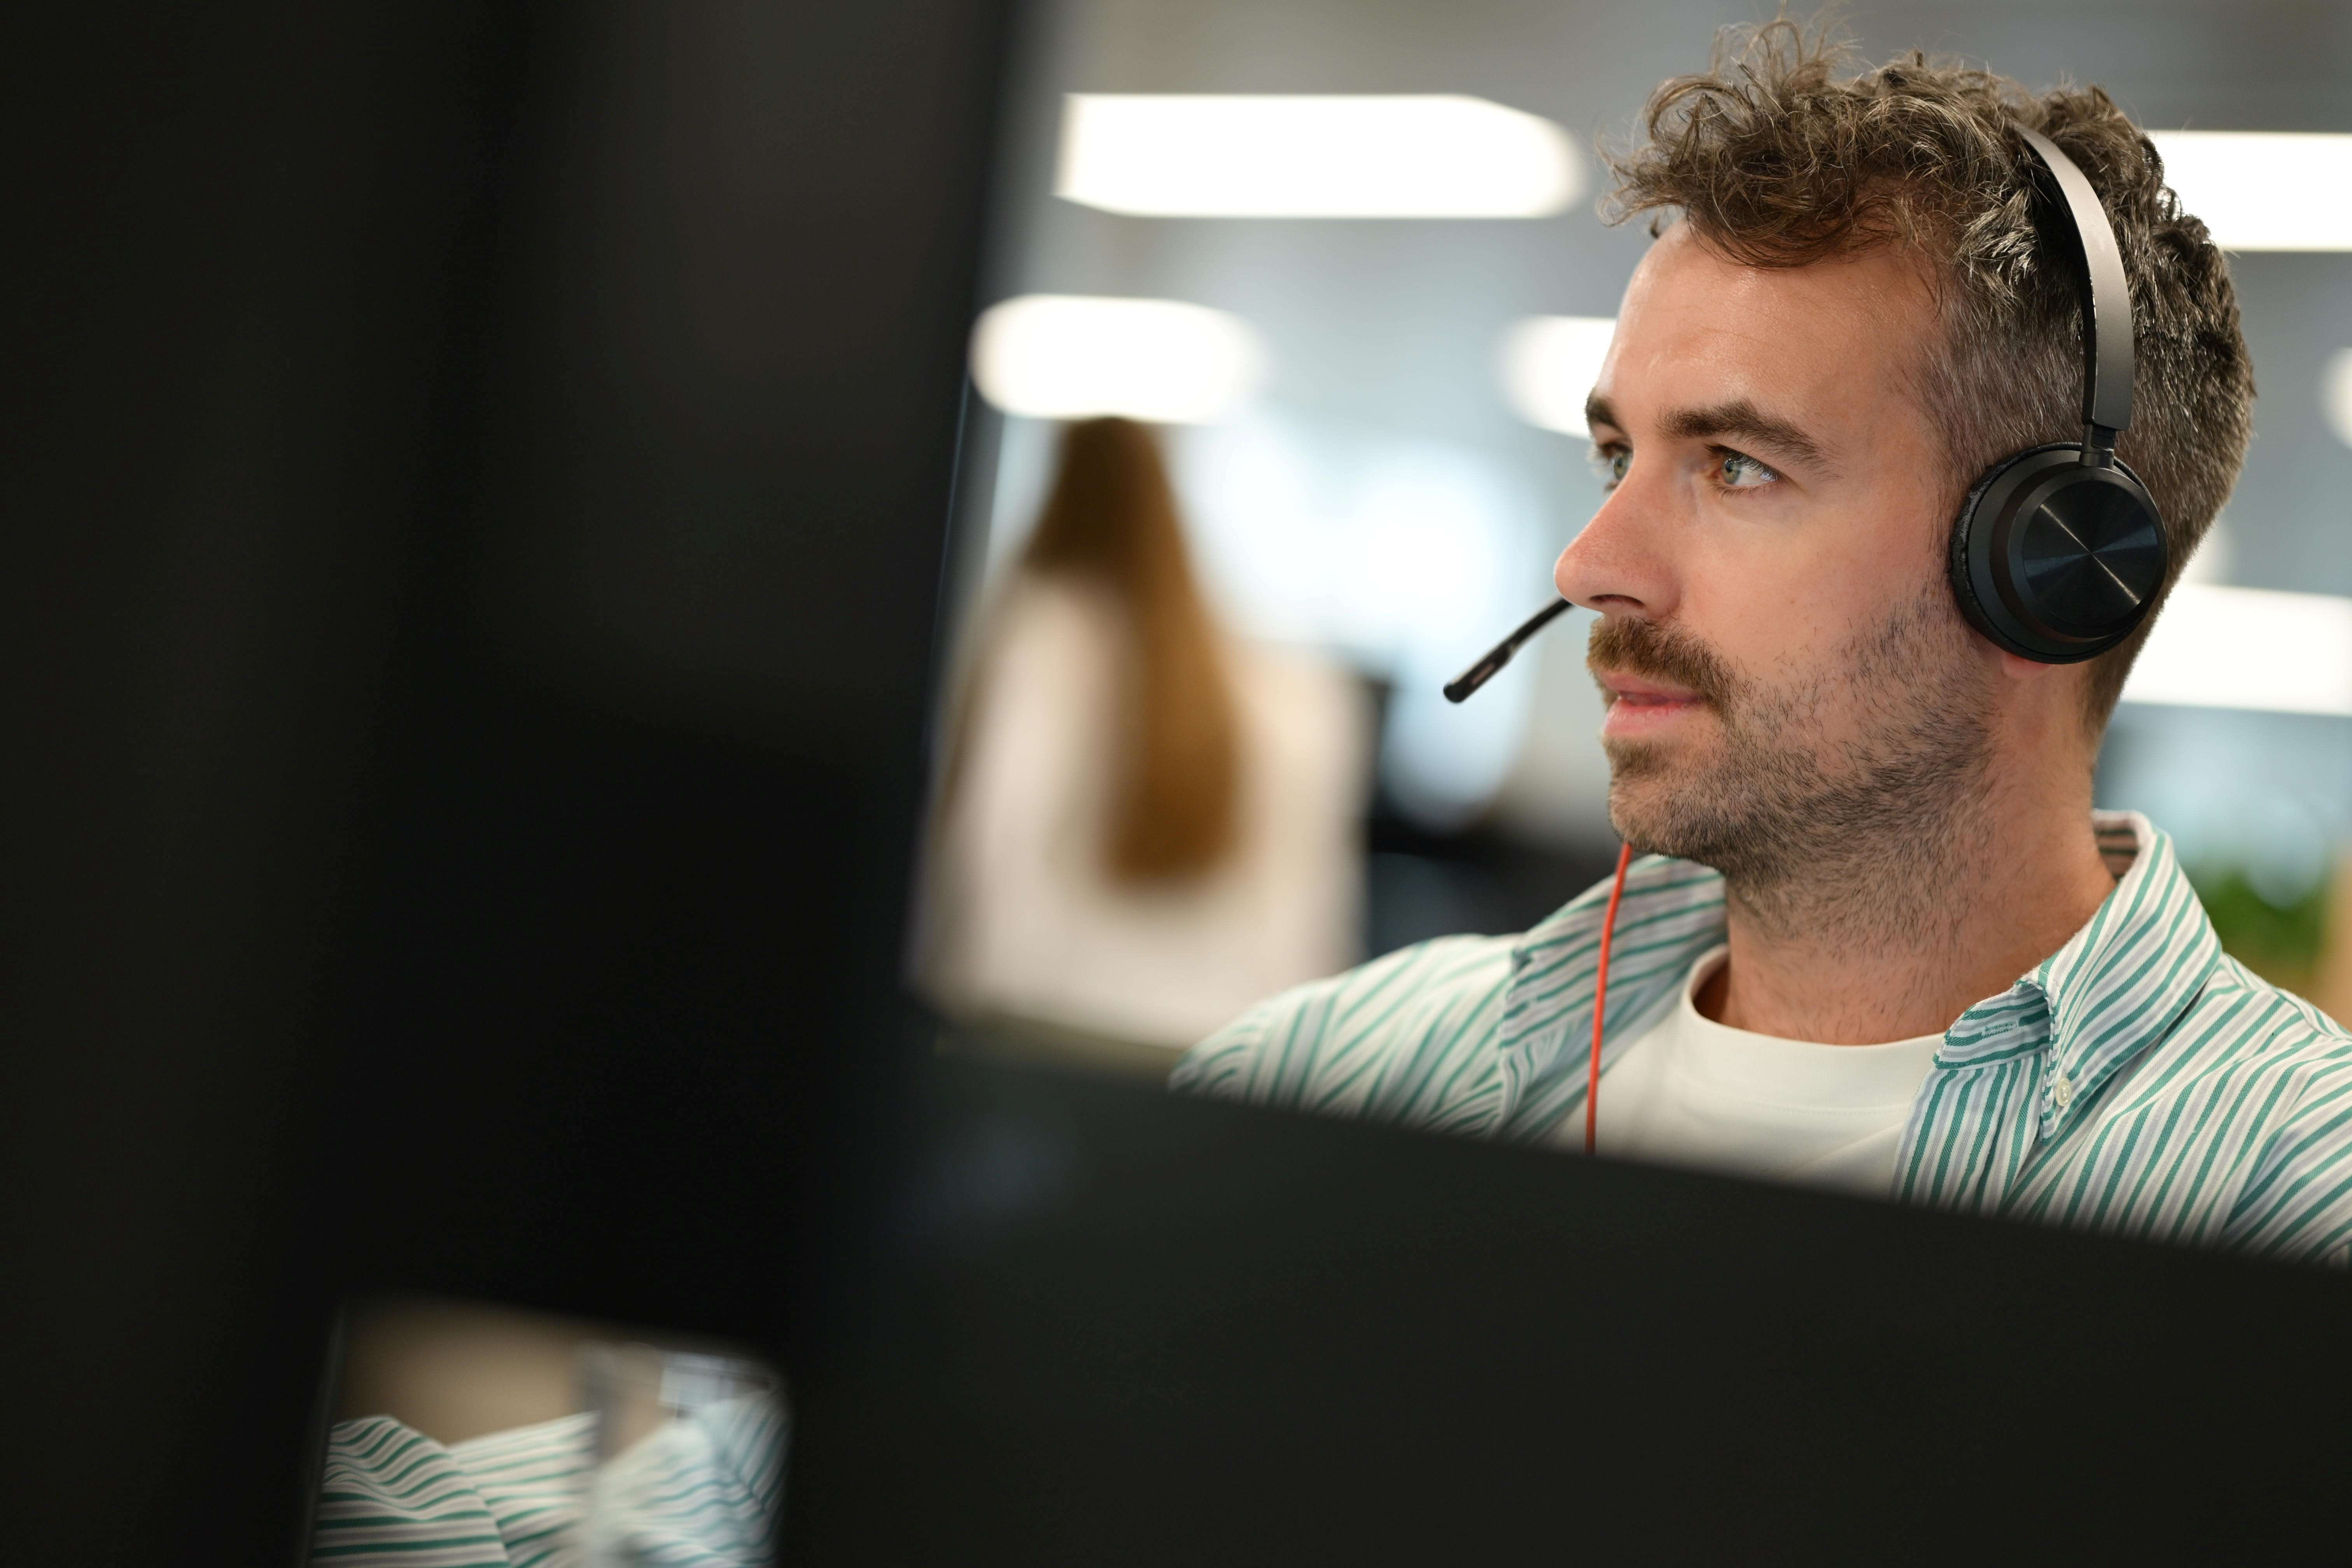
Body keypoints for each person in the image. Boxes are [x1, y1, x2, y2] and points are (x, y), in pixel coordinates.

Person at [1175, 21, 2352, 1265]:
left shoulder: (2292, 1210)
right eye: (1620, 456)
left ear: (2045, 566)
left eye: (1737, 466)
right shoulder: (1325, 1087)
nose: (1589, 569)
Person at [923, 417, 1368, 1050]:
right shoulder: (1286, 689)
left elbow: (986, 859)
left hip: (1046, 1039)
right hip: (1224, 1051)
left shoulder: (1036, 643)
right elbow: (1313, 924)